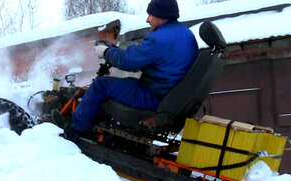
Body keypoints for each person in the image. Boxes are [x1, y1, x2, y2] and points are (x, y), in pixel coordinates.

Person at [58, 0, 199, 141]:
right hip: (167, 95)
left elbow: (129, 62)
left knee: (100, 85)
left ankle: (74, 131)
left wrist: (106, 52)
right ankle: (98, 127)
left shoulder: (161, 38)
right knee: (123, 83)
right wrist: (118, 53)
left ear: (162, 15)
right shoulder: (185, 35)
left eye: (150, 15)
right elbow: (151, 61)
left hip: (152, 97)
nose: (147, 19)